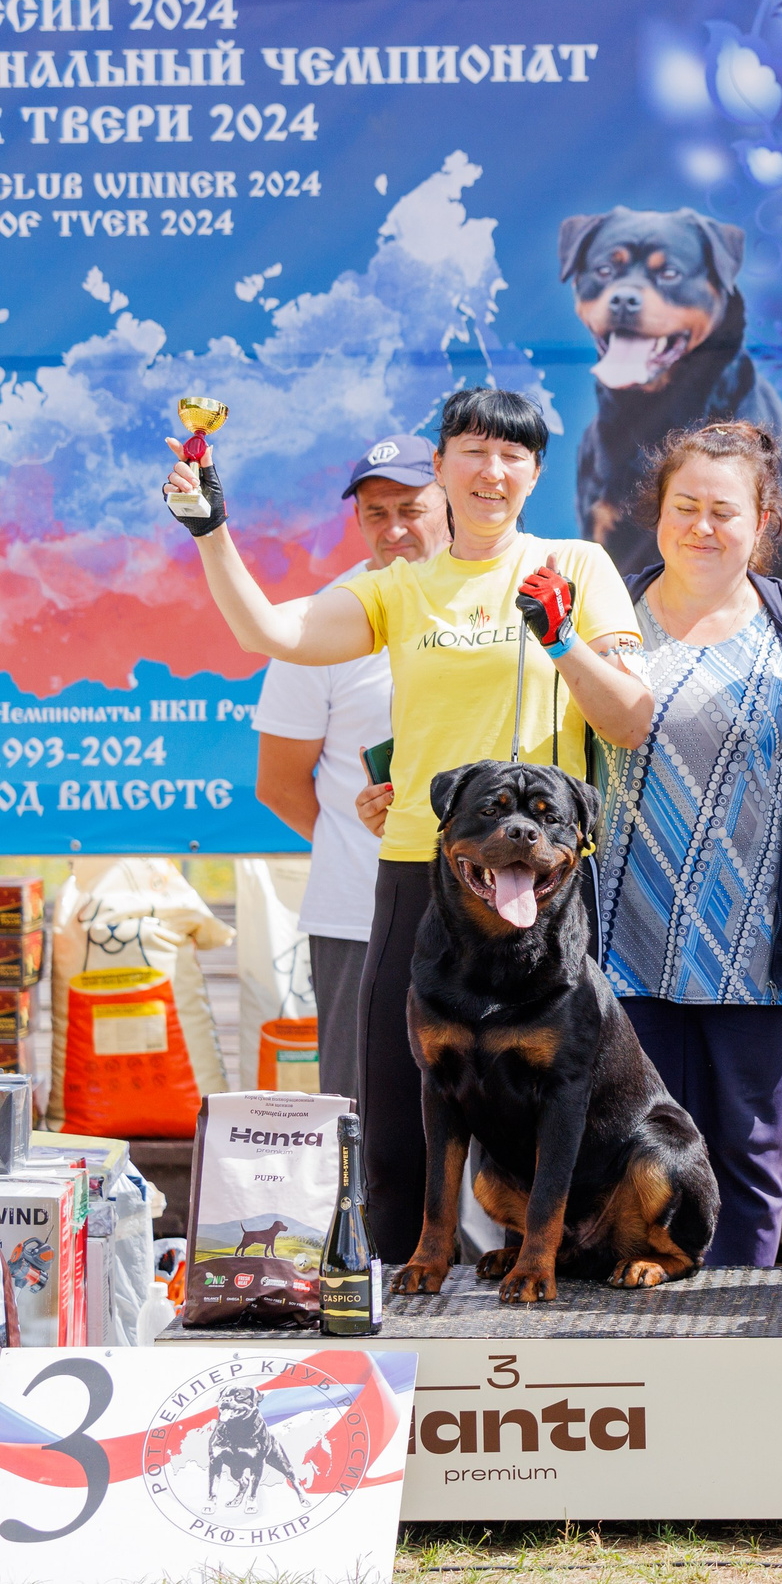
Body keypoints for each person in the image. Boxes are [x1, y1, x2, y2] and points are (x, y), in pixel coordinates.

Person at [162, 386, 653, 1263]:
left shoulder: (575, 566)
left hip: (544, 886)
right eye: (473, 450)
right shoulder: (399, 589)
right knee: (391, 1140)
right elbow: (269, 631)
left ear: (536, 471)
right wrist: (210, 531)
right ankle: (385, 1322)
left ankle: (550, 1293)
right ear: (443, 468)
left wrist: (564, 637)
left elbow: (629, 720)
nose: (492, 470)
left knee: (558, 1115)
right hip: (419, 879)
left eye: (513, 454)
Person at [596, 420, 782, 1267]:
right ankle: (641, 1331)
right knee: (639, 1154)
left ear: (763, 521)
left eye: (725, 511)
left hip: (759, 947)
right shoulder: (611, 621)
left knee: (748, 1157)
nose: (702, 527)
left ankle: (747, 1326)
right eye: (685, 506)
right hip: (623, 946)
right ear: (657, 512)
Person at [252, 437, 450, 1102]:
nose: (393, 528)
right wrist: (360, 842)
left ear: (449, 499)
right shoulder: (325, 621)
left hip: (491, 916)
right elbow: (279, 782)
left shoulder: (499, 605)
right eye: (375, 513)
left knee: (493, 1122)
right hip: (358, 917)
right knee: (360, 1116)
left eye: (410, 508)